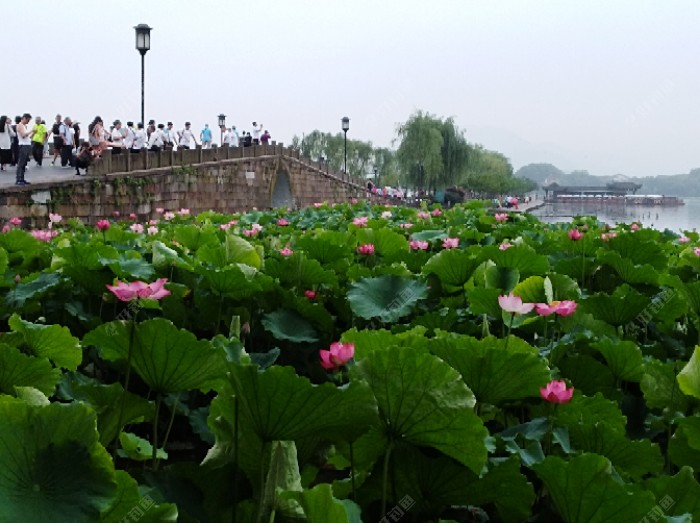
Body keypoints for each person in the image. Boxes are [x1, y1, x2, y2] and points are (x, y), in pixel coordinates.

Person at [15, 113, 35, 185]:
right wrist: (31, 131)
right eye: (28, 120)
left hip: (26, 144)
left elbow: (27, 137)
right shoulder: (20, 125)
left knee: (24, 163)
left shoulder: (24, 126)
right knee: (21, 162)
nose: (28, 122)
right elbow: (23, 135)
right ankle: (19, 179)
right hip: (23, 146)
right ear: (24, 118)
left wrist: (32, 133)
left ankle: (22, 178)